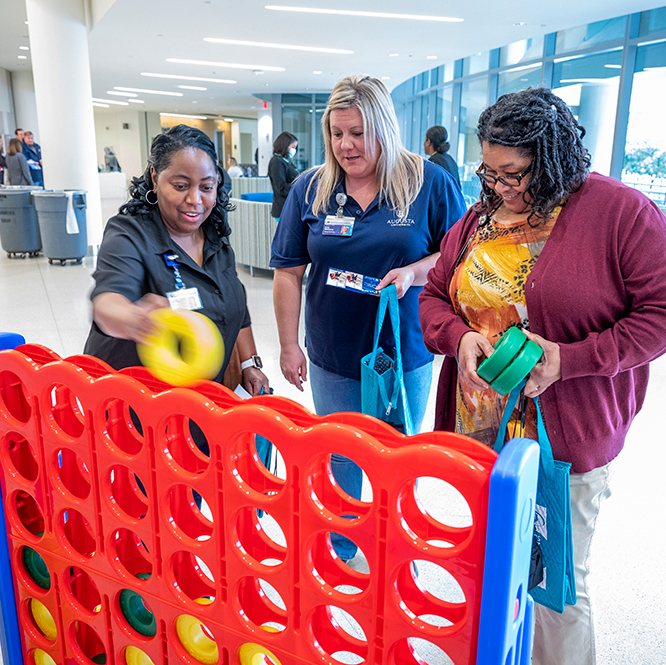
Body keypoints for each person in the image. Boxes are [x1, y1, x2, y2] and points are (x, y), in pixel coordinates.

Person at [418, 87, 666, 665]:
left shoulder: (620, 213)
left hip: (566, 438)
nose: (500, 185)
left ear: (553, 158)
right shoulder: (480, 216)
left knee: (556, 588)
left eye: (515, 172)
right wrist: (461, 338)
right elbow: (434, 296)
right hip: (484, 432)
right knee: (496, 564)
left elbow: (657, 317)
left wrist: (567, 359)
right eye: (491, 169)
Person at [271, 75, 466, 560]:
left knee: (396, 455)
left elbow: (458, 257)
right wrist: (289, 345)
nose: (345, 145)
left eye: (358, 132)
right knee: (339, 458)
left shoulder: (428, 182)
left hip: (403, 352)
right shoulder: (310, 189)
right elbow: (288, 272)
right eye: (337, 133)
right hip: (333, 351)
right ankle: (338, 551)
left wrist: (414, 272)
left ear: (383, 128)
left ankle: (395, 551)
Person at [84, 124, 269, 399]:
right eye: (181, 186)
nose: (195, 200)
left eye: (206, 187)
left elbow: (235, 303)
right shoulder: (129, 233)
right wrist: (135, 318)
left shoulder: (214, 233)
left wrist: (248, 363)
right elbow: (107, 302)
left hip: (198, 402)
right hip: (133, 407)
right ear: (155, 178)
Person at [267, 131, 299, 220]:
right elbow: (281, 188)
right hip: (282, 208)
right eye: (293, 147)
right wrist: (298, 187)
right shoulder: (276, 162)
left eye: (295, 147)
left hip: (290, 207)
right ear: (285, 145)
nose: (294, 150)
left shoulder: (286, 161)